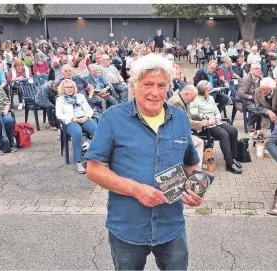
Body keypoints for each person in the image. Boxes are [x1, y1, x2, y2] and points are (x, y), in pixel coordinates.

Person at [84, 53, 203, 270]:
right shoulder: (113, 118)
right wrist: (136, 189)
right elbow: (93, 169)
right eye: (148, 84)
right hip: (128, 227)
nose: (155, 92)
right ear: (134, 86)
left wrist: (196, 189)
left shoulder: (179, 118)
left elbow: (192, 163)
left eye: (161, 85)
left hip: (171, 226)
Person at [191, 80, 242, 174]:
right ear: (202, 91)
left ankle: (233, 157)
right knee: (224, 135)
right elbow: (193, 114)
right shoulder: (195, 100)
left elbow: (217, 111)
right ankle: (229, 164)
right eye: (207, 90)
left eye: (209, 90)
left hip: (216, 122)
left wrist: (218, 118)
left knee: (233, 130)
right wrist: (206, 118)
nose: (209, 92)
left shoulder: (210, 98)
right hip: (206, 125)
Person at [55, 79, 97, 174]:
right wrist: (72, 118)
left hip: (83, 118)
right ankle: (78, 161)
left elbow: (89, 110)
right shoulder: (60, 99)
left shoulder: (80, 96)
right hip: (70, 121)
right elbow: (59, 114)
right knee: (77, 132)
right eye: (67, 87)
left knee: (98, 130)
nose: (70, 89)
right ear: (63, 89)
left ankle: (95, 156)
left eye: (71, 87)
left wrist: (86, 117)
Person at [168, 85, 206, 169]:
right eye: (192, 98)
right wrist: (202, 123)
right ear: (186, 93)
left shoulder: (182, 100)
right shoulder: (176, 102)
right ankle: (195, 169)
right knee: (199, 142)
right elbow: (185, 122)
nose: (192, 101)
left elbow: (187, 116)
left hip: (180, 132)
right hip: (176, 135)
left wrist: (199, 116)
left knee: (198, 142)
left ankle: (193, 166)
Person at [238, 62, 263, 132]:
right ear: (251, 70)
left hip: (257, 100)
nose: (259, 70)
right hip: (246, 100)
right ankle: (250, 125)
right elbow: (241, 94)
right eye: (256, 69)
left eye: (259, 69)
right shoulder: (246, 79)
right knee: (257, 108)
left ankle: (259, 126)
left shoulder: (261, 78)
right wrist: (251, 97)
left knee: (267, 107)